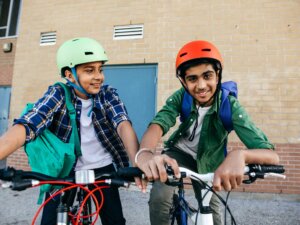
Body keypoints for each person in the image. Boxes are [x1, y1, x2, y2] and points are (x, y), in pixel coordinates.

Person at [135, 40, 280, 225]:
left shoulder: (230, 106)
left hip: (211, 161)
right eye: (192, 79)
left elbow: (271, 155)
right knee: (160, 196)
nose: (201, 85)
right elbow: (158, 125)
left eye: (207, 75)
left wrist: (241, 155)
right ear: (184, 82)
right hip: (178, 155)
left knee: (213, 215)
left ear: (218, 75)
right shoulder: (182, 96)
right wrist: (146, 153)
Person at [0, 37, 140, 225]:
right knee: (50, 221)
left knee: (115, 221)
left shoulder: (107, 95)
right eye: (89, 70)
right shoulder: (58, 94)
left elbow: (123, 124)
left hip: (103, 168)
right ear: (70, 74)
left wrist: (137, 162)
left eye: (100, 69)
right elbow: (28, 125)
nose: (99, 76)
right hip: (66, 171)